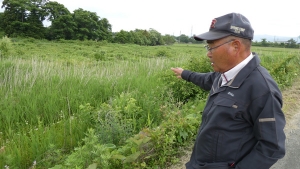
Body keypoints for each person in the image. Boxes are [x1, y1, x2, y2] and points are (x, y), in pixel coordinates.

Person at [171, 13, 286, 169]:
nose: (208, 53)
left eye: (212, 46)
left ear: (235, 46)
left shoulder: (262, 90)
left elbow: (272, 147)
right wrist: (185, 73)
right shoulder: (225, 75)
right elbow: (206, 80)